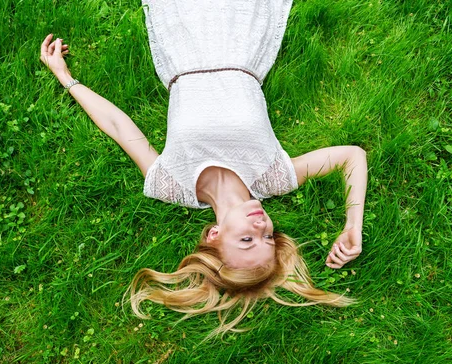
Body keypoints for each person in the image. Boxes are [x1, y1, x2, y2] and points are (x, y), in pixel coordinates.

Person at [40, 0, 367, 335]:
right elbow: (352, 156)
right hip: (241, 36)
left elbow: (120, 127)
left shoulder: (172, 184)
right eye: (268, 237)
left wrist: (65, 77)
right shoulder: (273, 178)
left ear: (214, 235)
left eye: (246, 240)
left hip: (182, 41)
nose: (261, 227)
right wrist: (352, 225)